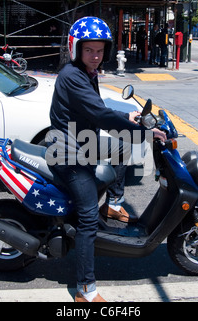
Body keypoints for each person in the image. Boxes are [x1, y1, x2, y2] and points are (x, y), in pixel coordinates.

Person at [46, 16, 166, 302]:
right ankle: (85, 290)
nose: (96, 56)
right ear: (76, 49)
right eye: (89, 50)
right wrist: (142, 133)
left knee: (121, 152)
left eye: (100, 50)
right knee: (88, 218)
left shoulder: (87, 72)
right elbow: (100, 116)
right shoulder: (73, 76)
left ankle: (112, 204)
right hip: (68, 152)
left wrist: (129, 116)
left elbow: (96, 108)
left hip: (79, 141)